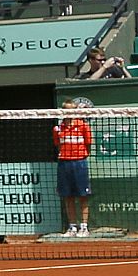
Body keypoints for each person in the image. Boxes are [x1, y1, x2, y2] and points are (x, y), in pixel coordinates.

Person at [54, 99, 93, 236]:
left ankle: (84, 227)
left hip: (79, 163)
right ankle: (72, 227)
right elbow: (58, 145)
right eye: (66, 110)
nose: (69, 113)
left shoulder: (83, 126)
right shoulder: (57, 128)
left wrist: (80, 156)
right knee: (68, 196)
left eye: (72, 110)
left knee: (83, 196)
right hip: (64, 163)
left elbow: (88, 145)